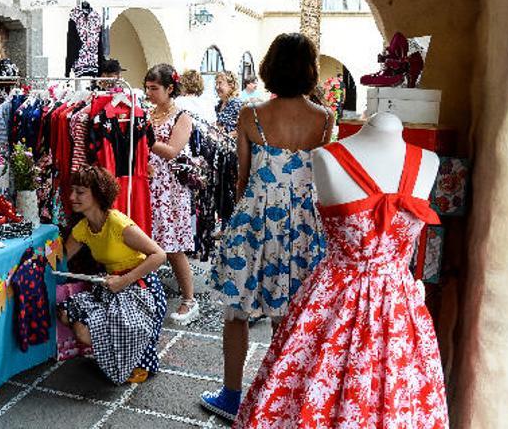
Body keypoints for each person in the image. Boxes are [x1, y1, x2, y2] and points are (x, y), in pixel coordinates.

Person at [233, 113, 448, 428]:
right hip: (336, 301)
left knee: (397, 395)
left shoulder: (428, 161)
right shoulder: (328, 157)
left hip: (396, 310)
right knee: (313, 387)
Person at [200, 33, 332, 421]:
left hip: (255, 221)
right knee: (287, 316)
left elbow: (241, 181)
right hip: (304, 225)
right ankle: (279, 399)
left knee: (237, 313)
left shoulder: (250, 115)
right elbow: (322, 179)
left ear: (270, 67)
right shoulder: (325, 120)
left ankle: (231, 396)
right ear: (310, 70)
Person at [59, 166, 168, 385]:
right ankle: (114, 354)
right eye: (73, 191)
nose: (72, 197)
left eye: (80, 192)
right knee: (67, 314)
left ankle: (133, 358)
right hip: (111, 287)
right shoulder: (83, 228)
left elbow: (159, 255)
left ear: (97, 194)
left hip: (141, 288)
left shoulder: (119, 224)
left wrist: (124, 280)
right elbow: (60, 259)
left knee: (111, 327)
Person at [144, 64, 200, 325]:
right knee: (145, 242)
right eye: (147, 87)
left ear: (169, 88)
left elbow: (172, 151)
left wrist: (144, 139)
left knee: (173, 246)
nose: (149, 92)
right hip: (147, 184)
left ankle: (189, 299)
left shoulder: (182, 117)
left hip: (170, 190)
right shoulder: (148, 113)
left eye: (154, 88)